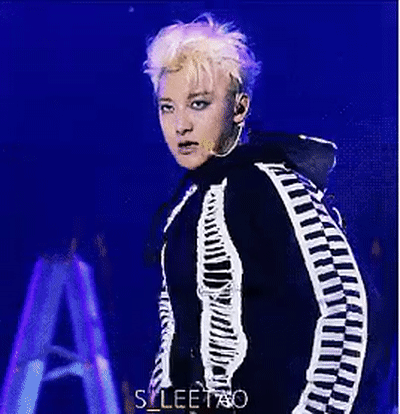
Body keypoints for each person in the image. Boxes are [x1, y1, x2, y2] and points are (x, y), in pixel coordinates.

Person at [143, 13, 367, 414]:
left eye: (199, 104)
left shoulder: (267, 186)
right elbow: (174, 329)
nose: (180, 125)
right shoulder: (184, 207)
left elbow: (340, 313)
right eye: (167, 108)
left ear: (239, 106)